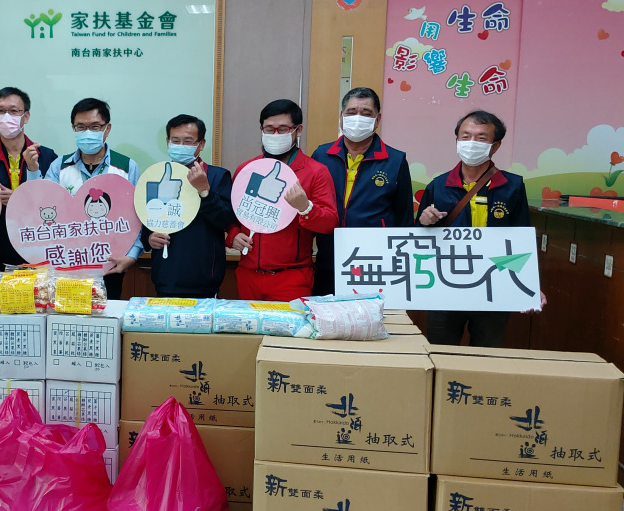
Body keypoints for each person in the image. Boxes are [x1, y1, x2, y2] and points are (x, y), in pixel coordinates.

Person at [416, 109, 543, 347]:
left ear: (495, 146)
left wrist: (530, 285)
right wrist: (424, 221)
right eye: (465, 136)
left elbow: (522, 238)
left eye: (481, 138)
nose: (471, 143)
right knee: (441, 351)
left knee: (486, 354)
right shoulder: (438, 185)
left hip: (493, 284)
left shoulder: (512, 186)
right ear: (457, 140)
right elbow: (418, 238)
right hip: (447, 286)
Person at [226, 99, 338, 301]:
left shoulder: (316, 172)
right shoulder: (246, 169)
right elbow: (232, 215)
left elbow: (330, 223)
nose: (275, 134)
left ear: (298, 130)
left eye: (283, 129)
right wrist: (233, 235)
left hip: (292, 278)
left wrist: (306, 208)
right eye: (269, 129)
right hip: (248, 274)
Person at [311, 87, 413, 295]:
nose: (358, 118)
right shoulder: (322, 155)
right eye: (351, 112)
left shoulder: (395, 160)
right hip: (328, 259)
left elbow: (404, 218)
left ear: (377, 119)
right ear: (341, 117)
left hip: (375, 264)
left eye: (366, 113)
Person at [45, 97, 142, 300]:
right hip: (68, 262)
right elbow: (44, 209)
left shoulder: (126, 167)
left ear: (107, 129)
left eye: (95, 126)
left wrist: (132, 256)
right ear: (73, 128)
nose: (87, 132)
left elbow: (137, 215)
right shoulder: (59, 167)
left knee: (106, 315)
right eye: (81, 127)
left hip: (111, 262)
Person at [144, 114, 235, 298]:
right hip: (166, 275)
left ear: (201, 144)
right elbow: (145, 219)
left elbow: (226, 220)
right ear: (168, 142)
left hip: (204, 278)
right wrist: (149, 238)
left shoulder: (217, 176)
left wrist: (204, 191)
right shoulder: (156, 176)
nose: (180, 146)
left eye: (188, 141)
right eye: (175, 140)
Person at [0, 87, 57, 271]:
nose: (6, 116)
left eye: (13, 111)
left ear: (26, 116)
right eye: (0, 111)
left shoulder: (47, 157)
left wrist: (18, 200)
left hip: (38, 251)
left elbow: (56, 203)